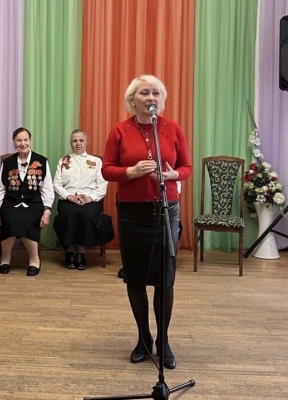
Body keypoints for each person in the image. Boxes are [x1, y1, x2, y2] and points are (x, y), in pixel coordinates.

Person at [102, 75, 192, 370]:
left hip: (166, 210)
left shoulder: (173, 128)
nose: (151, 97)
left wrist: (172, 175)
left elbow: (186, 167)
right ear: (133, 99)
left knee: (165, 279)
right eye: (144, 93)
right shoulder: (119, 130)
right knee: (136, 278)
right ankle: (143, 338)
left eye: (155, 93)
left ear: (161, 99)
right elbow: (107, 170)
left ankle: (163, 341)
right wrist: (130, 172)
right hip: (132, 213)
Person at [0, 127, 54, 276]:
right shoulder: (7, 162)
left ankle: (34, 260)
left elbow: (47, 189)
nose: (23, 143)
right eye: (19, 140)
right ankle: (5, 259)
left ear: (30, 141)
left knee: (26, 219)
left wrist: (47, 211)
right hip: (10, 203)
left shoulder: (41, 161)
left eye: (26, 140)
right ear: (14, 143)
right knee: (10, 219)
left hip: (33, 203)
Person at [53, 129, 114, 270]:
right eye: (75, 141)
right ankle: (69, 252)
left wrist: (89, 198)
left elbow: (102, 185)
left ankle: (81, 253)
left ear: (87, 142)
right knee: (69, 213)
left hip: (90, 200)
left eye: (81, 140)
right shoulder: (63, 161)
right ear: (71, 143)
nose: (78, 143)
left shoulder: (96, 161)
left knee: (85, 214)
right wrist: (69, 196)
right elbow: (57, 184)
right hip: (68, 199)